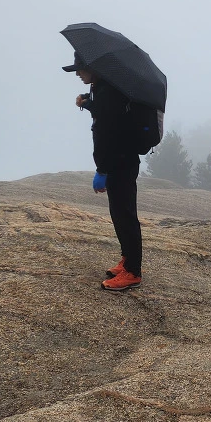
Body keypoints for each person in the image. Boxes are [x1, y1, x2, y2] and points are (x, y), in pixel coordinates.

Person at [65, 53, 144, 291]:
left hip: (120, 163)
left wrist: (102, 170)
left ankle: (133, 272)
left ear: (92, 68)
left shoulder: (109, 91)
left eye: (80, 69)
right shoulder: (104, 87)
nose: (78, 74)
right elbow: (105, 111)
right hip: (120, 162)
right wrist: (87, 102)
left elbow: (108, 133)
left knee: (125, 216)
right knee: (119, 214)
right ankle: (127, 260)